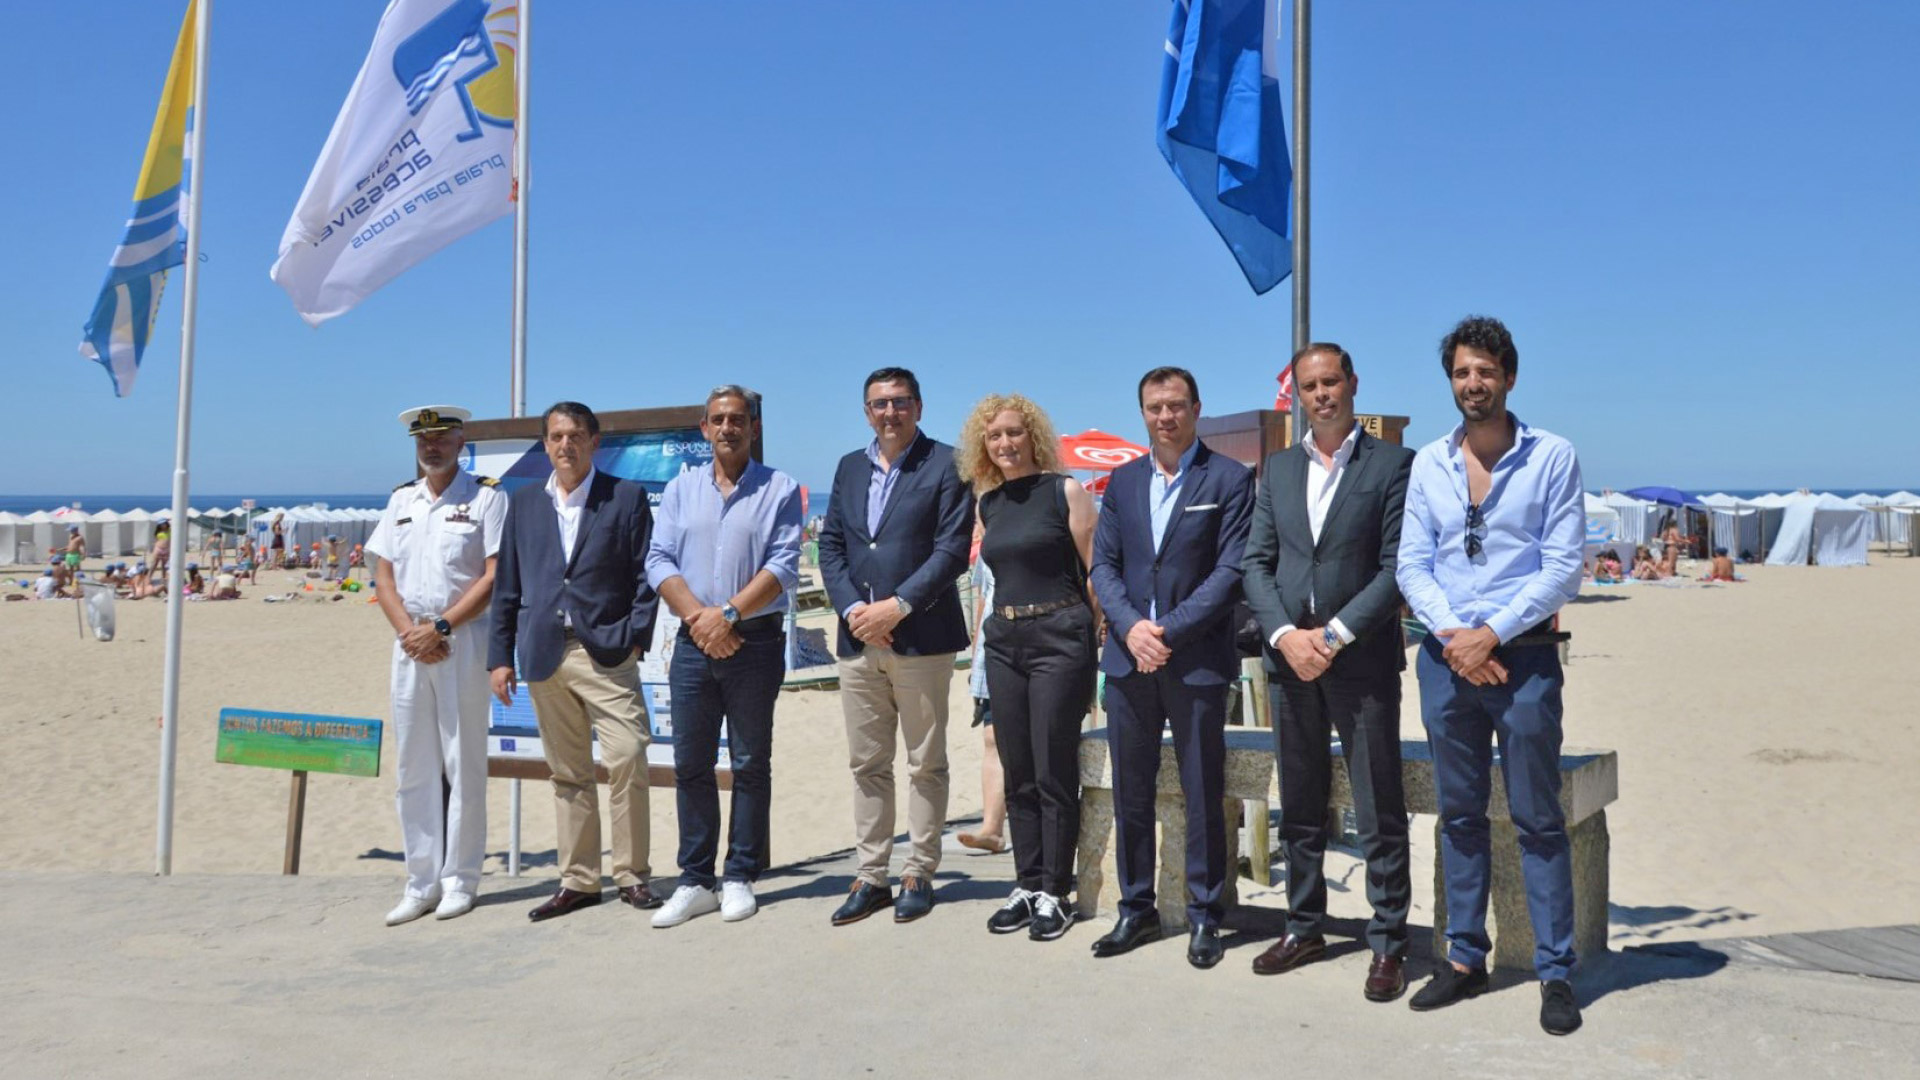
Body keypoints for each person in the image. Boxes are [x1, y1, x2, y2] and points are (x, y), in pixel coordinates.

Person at [1397, 316, 1587, 1036]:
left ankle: (1555, 972)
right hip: (1448, 662)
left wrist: (1491, 635)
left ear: (1509, 376)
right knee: (1461, 815)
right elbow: (1413, 563)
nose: (1472, 383)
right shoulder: (1428, 464)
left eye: (1484, 371)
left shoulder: (1553, 456)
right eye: (1461, 372)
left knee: (1539, 818)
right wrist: (1456, 637)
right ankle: (1464, 960)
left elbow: (1562, 564)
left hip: (1525, 658)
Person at [1241, 343, 1418, 999]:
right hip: (1291, 664)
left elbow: (1398, 566)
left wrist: (1335, 635)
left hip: (1361, 660)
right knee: (1303, 803)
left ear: (1352, 385)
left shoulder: (1395, 464)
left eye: (1331, 382)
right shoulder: (1279, 469)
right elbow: (1256, 563)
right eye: (1309, 386)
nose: (1321, 394)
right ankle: (1304, 924)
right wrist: (1287, 636)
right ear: (1298, 395)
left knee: (1378, 806)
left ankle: (1389, 943)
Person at [1087, 367, 1253, 968]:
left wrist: (1168, 632)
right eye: (1155, 407)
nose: (1166, 416)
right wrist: (1132, 628)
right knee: (1132, 790)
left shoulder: (1231, 479)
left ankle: (1207, 915)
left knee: (1202, 790)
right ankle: (1137, 909)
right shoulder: (1122, 482)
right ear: (1143, 413)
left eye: (1176, 405)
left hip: (1197, 661)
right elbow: (1103, 566)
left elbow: (1230, 572)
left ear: (1197, 409)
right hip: (1129, 662)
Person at [489, 401, 662, 922]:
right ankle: (580, 881)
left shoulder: (625, 498)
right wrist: (501, 657)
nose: (566, 445)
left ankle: (631, 875)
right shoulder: (522, 503)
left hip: (605, 652)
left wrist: (635, 637)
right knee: (568, 774)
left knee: (629, 754)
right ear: (546, 444)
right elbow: (508, 586)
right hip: (543, 652)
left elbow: (646, 576)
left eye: (576, 436)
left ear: (594, 441)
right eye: (557, 436)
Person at [817, 368, 974, 926]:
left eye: (900, 402)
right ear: (866, 411)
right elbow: (831, 545)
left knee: (925, 762)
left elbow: (952, 549)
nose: (890, 412)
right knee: (867, 763)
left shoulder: (949, 463)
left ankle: (919, 871)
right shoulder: (847, 467)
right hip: (858, 639)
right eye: (879, 404)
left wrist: (898, 606)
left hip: (922, 636)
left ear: (919, 406)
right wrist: (854, 612)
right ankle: (870, 875)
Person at [643, 386, 803, 928]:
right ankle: (694, 879)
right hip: (693, 642)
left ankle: (739, 875)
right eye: (718, 420)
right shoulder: (681, 488)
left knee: (751, 763)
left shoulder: (779, 487)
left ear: (753, 428)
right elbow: (659, 559)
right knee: (690, 763)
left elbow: (783, 564)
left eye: (738, 419)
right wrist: (700, 619)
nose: (728, 428)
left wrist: (727, 616)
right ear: (704, 429)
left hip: (753, 642)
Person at [963, 393, 1098, 941]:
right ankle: (1027, 882)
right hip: (1004, 640)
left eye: (1014, 433)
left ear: (1033, 436)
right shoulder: (988, 503)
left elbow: (1096, 575)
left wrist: (1095, 646)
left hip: (1060, 636)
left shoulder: (1064, 490)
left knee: (1052, 767)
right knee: (1017, 768)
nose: (1005, 443)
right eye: (994, 436)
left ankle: (1055, 891)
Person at [367, 405, 506, 925]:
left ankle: (460, 880)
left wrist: (441, 627)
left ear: (461, 440)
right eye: (423, 439)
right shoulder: (401, 499)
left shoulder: (487, 496)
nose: (432, 447)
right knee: (413, 769)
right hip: (409, 644)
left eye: (442, 437)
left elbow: (493, 577)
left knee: (462, 763)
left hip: (461, 640)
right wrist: (411, 633)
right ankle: (420, 881)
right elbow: (383, 577)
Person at [955, 545, 1008, 855]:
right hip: (992, 648)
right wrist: (976, 653)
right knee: (992, 738)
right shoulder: (991, 534)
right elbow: (983, 600)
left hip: (1037, 640)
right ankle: (992, 828)